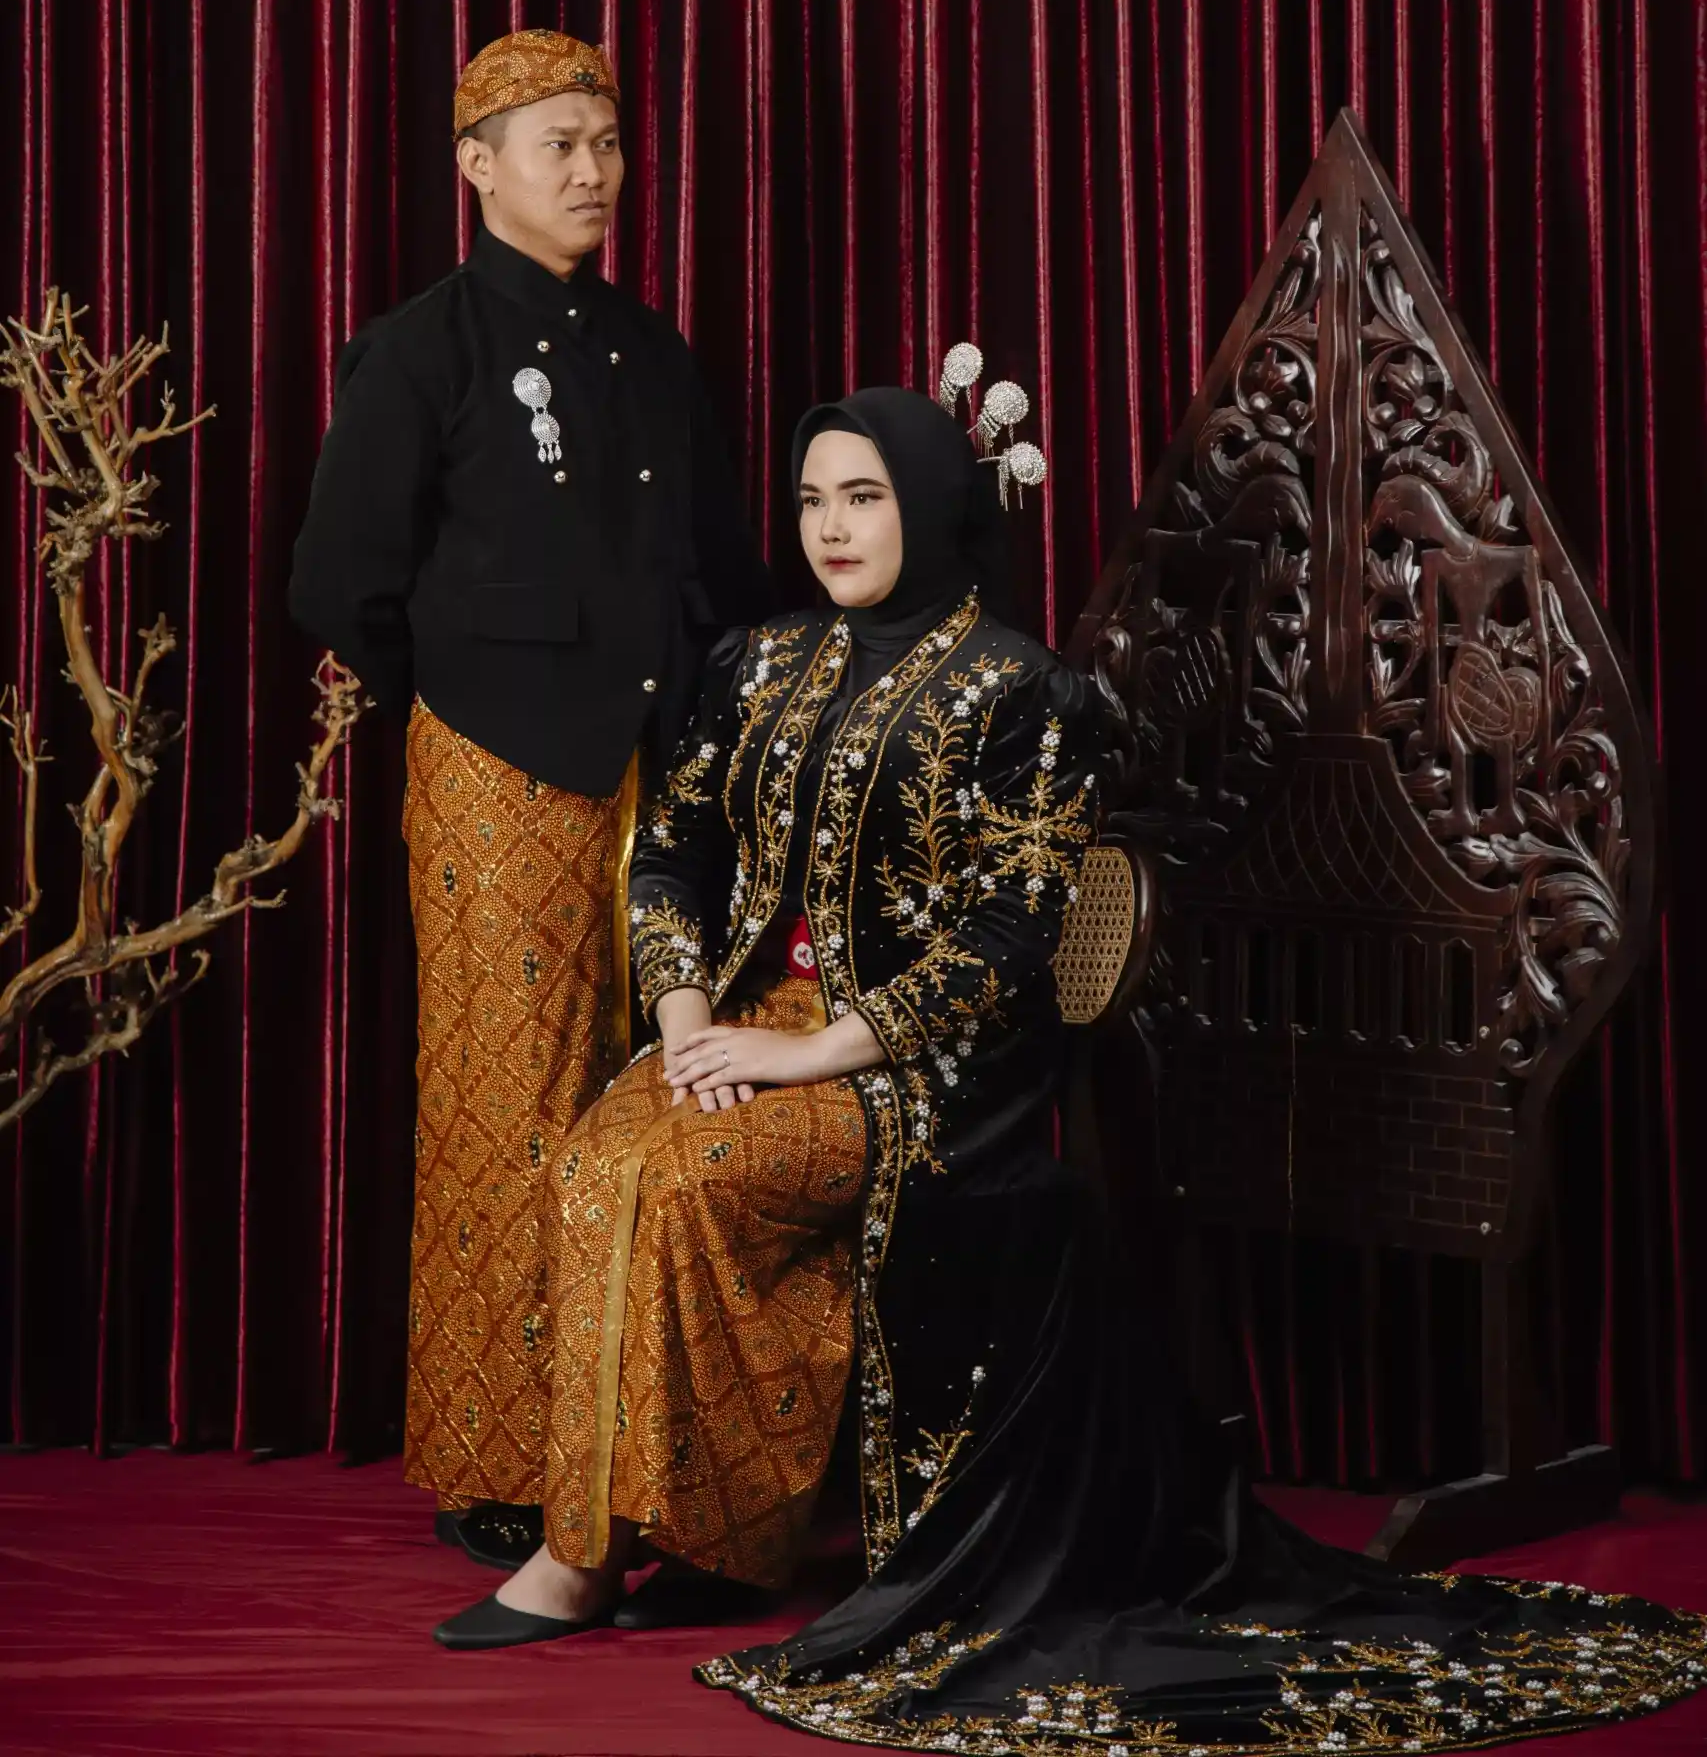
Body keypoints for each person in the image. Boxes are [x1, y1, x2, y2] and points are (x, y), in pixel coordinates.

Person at [433, 380, 1707, 1753]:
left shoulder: (1021, 694)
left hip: (907, 1071)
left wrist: (813, 1054)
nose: (830, 529)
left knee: (673, 1180)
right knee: (603, 1159)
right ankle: (685, 1535)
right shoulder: (758, 665)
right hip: (734, 1027)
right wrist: (689, 1022)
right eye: (810, 501)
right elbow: (675, 852)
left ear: (929, 506)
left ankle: (584, 1558)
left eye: (862, 498)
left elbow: (1015, 931)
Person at [289, 27, 769, 1573]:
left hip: (661, 768)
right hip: (497, 770)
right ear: (475, 165)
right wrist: (467, 703)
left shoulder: (650, 351)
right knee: (510, 1110)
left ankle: (633, 1439)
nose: (591, 170)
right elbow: (340, 585)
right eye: (557, 143)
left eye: (606, 142)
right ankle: (501, 1458)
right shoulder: (416, 350)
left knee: (657, 1095)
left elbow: (718, 572)